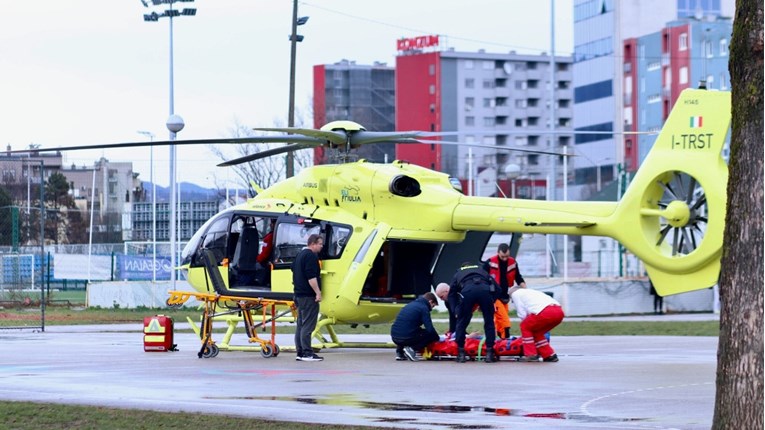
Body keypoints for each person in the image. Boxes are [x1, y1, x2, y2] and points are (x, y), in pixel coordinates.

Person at [446, 263, 499, 363]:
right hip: (484, 291)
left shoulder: (458, 273)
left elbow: (451, 294)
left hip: (467, 291)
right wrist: (490, 301)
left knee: (461, 322)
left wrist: (456, 310)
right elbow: (498, 289)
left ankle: (461, 354)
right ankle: (489, 354)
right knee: (489, 322)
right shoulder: (482, 271)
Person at [508, 285, 564, 362]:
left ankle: (531, 355)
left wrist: (525, 324)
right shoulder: (531, 292)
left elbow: (522, 313)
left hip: (545, 312)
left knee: (525, 327)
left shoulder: (515, 293)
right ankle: (549, 355)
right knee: (537, 332)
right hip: (558, 311)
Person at [482, 243, 527, 339]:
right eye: (502, 257)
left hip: (505, 296)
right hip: (493, 296)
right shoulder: (489, 263)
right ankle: (506, 337)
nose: (505, 259)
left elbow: (518, 277)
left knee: (500, 319)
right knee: (504, 318)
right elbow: (482, 277)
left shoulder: (512, 263)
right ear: (498, 253)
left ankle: (500, 338)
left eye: (507, 256)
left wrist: (525, 289)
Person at [291, 233, 324, 362]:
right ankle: (307, 352)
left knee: (300, 324)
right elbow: (311, 277)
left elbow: (292, 268)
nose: (321, 247)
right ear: (313, 243)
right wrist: (318, 292)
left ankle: (300, 351)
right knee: (308, 325)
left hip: (298, 295)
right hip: (308, 295)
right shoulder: (310, 256)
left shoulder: (299, 255)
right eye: (320, 244)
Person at [390, 292, 440, 361]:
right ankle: (412, 349)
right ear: (430, 301)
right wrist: (437, 338)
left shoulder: (410, 305)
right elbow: (430, 329)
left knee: (406, 329)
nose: (431, 309)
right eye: (433, 306)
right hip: (406, 337)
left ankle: (400, 353)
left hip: (394, 336)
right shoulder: (424, 308)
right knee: (430, 335)